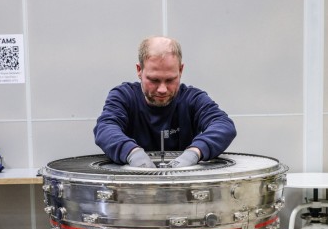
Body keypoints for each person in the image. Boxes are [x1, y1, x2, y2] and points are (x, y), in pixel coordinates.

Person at [94, 36, 237, 168]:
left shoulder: (193, 99)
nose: (162, 89)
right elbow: (105, 128)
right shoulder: (123, 96)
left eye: (170, 80)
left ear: (180, 70)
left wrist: (194, 153)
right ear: (139, 70)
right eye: (154, 80)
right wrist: (132, 153)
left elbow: (223, 126)